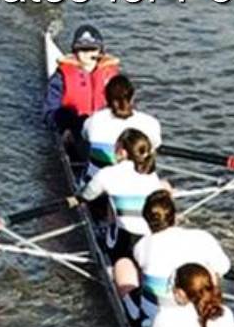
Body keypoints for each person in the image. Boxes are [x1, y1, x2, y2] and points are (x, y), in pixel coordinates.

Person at [79, 129, 166, 311]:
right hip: (151, 238)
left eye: (115, 147)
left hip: (124, 241)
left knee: (101, 206)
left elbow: (87, 195)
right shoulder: (152, 176)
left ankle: (129, 303)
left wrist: (79, 198)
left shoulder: (108, 173)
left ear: (122, 151)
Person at [131, 189, 230, 323]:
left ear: (146, 220)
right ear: (175, 216)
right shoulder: (203, 237)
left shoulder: (141, 245)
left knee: (124, 265)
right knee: (212, 273)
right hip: (201, 309)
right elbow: (224, 267)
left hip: (157, 316)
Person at [45, 24, 121, 154]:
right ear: (75, 52)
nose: (88, 54)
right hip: (76, 131)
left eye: (92, 49)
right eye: (83, 50)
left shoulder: (112, 76)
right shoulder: (60, 77)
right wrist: (64, 128)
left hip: (106, 131)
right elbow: (49, 113)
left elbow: (123, 106)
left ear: (100, 52)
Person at [81, 74, 161, 180]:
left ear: (106, 97)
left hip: (97, 181)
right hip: (138, 182)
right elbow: (155, 146)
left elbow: (85, 137)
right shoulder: (151, 123)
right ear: (132, 97)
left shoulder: (93, 121)